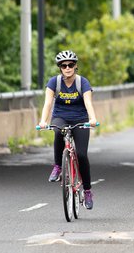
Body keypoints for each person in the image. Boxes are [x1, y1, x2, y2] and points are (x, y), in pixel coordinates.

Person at [38, 50, 98, 209]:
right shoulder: (54, 82)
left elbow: (88, 103)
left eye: (70, 65)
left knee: (82, 155)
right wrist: (43, 121)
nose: (67, 68)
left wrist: (92, 119)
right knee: (58, 131)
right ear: (60, 68)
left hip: (80, 118)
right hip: (61, 117)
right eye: (64, 65)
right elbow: (48, 104)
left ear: (75, 66)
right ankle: (58, 166)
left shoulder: (82, 82)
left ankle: (87, 190)